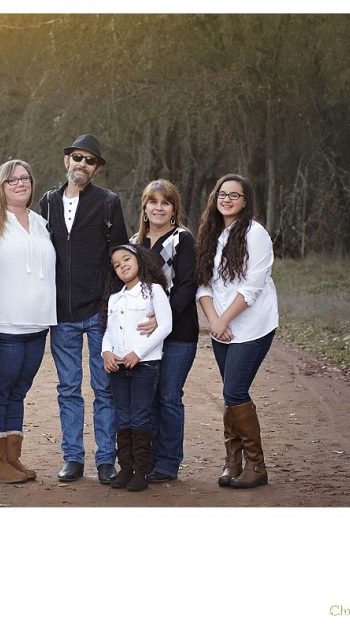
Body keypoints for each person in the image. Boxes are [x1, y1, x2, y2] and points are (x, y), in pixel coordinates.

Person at [39, 134, 129, 484]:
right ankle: (72, 458)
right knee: (68, 389)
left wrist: (115, 305)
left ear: (97, 168)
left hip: (99, 313)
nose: (82, 164)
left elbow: (121, 255)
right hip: (61, 314)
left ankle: (106, 460)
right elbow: (18, 234)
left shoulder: (108, 202)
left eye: (90, 160)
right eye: (77, 157)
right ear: (67, 161)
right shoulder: (46, 202)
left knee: (105, 389)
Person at [0, 160, 57, 484]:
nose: (20, 184)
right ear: (0, 185)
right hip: (3, 327)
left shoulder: (40, 222)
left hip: (37, 326)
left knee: (18, 392)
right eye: (12, 180)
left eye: (25, 178)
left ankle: (11, 457)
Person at [195, 174, 279, 489]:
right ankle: (233, 463)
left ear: (245, 202)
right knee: (231, 392)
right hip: (222, 327)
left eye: (234, 195)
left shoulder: (256, 234)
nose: (227, 199)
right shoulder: (210, 232)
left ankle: (257, 467)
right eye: (222, 193)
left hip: (252, 325)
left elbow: (253, 286)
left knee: (234, 392)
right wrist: (214, 319)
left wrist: (222, 320)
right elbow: (202, 282)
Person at [130, 179, 198, 483]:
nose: (159, 207)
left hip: (178, 333)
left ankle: (168, 462)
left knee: (169, 396)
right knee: (149, 397)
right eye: (153, 202)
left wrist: (163, 317)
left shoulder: (182, 240)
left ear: (174, 209)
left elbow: (187, 285)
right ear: (144, 207)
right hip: (145, 336)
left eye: (165, 202)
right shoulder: (135, 243)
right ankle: (150, 458)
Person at [101, 244, 172, 491]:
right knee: (123, 417)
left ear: (140, 260)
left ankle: (141, 472)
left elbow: (165, 326)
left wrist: (138, 353)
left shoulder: (154, 292)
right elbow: (109, 330)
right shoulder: (114, 298)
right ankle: (126, 469)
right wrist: (106, 352)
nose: (122, 266)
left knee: (140, 417)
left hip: (145, 365)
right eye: (117, 265)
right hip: (118, 368)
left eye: (126, 259)